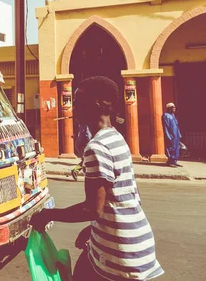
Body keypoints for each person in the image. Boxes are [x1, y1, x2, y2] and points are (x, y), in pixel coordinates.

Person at [31, 76, 163, 281]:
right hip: (133, 243)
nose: (73, 107)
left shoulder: (96, 147)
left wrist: (48, 215)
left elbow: (92, 209)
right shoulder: (115, 137)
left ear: (97, 104)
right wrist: (92, 230)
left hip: (120, 253)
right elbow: (118, 198)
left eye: (78, 100)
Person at [162, 102, 182, 167]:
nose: (174, 109)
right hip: (171, 135)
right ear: (169, 108)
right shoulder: (166, 115)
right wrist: (168, 136)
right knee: (171, 148)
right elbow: (166, 127)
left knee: (176, 148)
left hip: (176, 135)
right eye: (172, 107)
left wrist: (179, 134)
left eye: (174, 107)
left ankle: (174, 161)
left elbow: (176, 125)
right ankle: (170, 162)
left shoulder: (173, 115)